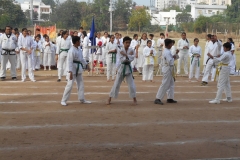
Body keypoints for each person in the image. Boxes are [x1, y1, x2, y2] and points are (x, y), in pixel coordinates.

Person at [61, 36, 91, 106]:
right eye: (79, 41)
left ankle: (82, 99)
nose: (80, 42)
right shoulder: (71, 51)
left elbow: (81, 59)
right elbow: (69, 62)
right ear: (76, 42)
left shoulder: (79, 49)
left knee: (81, 84)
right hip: (72, 69)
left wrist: (87, 65)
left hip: (79, 68)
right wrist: (70, 72)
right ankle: (63, 100)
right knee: (69, 85)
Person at [107, 36, 137, 105]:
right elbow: (121, 59)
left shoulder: (131, 50)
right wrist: (127, 56)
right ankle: (109, 98)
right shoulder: (120, 50)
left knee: (131, 85)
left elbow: (131, 59)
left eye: (129, 43)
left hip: (128, 68)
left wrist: (126, 55)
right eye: (126, 43)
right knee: (116, 84)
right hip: (122, 67)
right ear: (123, 43)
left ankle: (134, 98)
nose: (128, 44)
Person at [154, 39, 179, 105]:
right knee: (165, 83)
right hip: (167, 68)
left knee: (171, 83)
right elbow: (170, 61)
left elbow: (171, 58)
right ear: (168, 44)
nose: (172, 45)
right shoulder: (166, 52)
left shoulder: (168, 51)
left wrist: (176, 54)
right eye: (171, 44)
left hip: (169, 68)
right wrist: (174, 57)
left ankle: (170, 98)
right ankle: (158, 98)